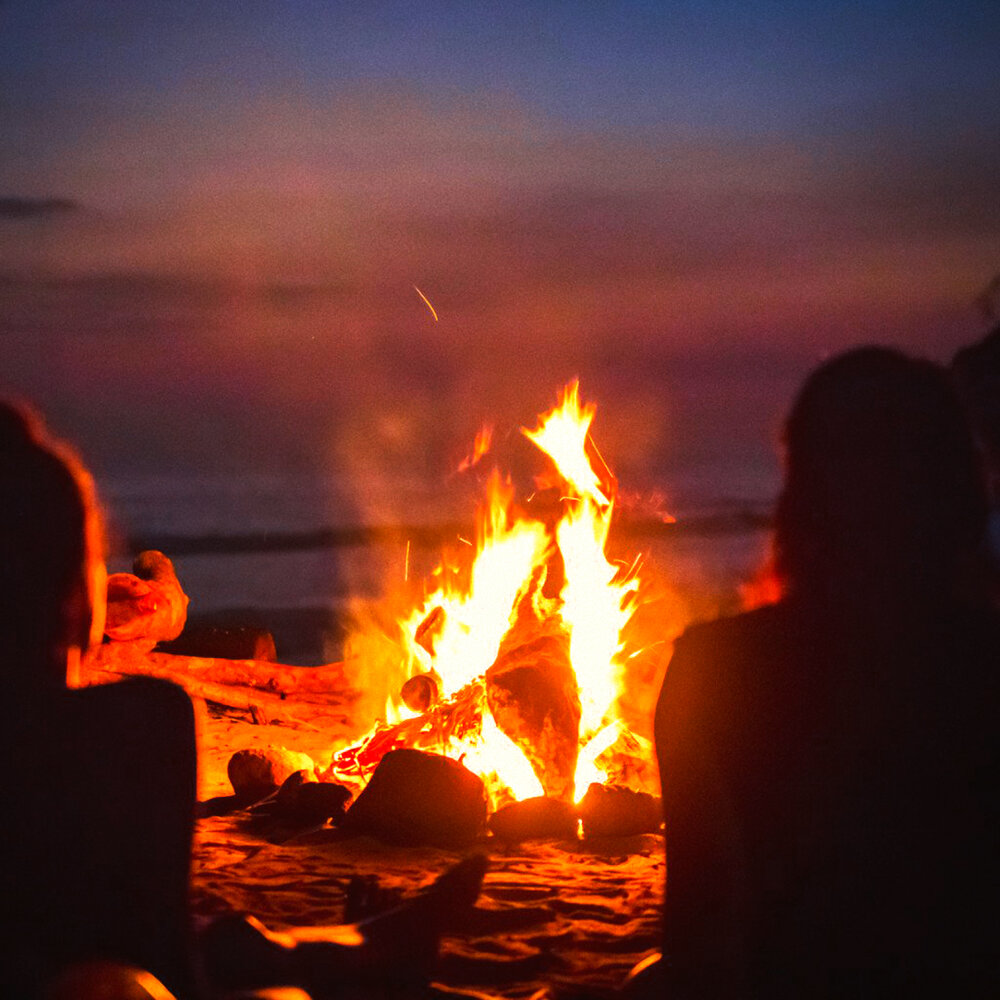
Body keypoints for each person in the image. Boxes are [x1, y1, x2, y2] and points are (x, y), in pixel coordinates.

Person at [0, 401, 485, 1000]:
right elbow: (161, 956)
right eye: (88, 562)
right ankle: (360, 957)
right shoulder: (130, 724)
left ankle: (361, 945)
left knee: (225, 937)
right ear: (76, 596)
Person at [652, 348, 999, 997]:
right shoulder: (984, 666)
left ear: (802, 493)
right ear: (960, 491)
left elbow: (697, 927)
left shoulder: (713, 669)